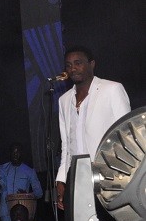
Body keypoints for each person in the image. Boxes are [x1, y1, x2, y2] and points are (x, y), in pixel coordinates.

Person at [55, 47, 130, 210]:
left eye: (78, 63)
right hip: (78, 178)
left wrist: (122, 177)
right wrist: (62, 178)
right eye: (68, 65)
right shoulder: (64, 100)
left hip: (110, 175)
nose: (72, 68)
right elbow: (66, 145)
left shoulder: (112, 90)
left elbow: (126, 137)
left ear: (92, 64)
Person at [0, 143, 42, 221]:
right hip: (6, 211)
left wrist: (27, 194)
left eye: (17, 152)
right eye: (13, 152)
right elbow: (0, 189)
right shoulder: (2, 168)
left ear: (22, 153)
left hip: (22, 211)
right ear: (10, 154)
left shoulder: (29, 171)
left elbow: (39, 193)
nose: (15, 155)